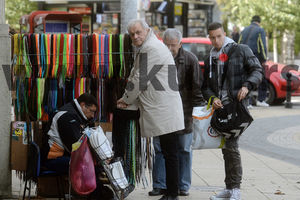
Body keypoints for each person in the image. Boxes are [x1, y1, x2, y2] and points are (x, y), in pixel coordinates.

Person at [117, 19, 185, 200]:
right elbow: (136, 74)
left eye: (138, 32)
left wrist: (125, 99)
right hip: (163, 108)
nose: (135, 36)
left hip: (164, 109)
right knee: (168, 151)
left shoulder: (151, 49)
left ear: (147, 31)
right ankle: (170, 192)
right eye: (132, 34)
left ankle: (172, 194)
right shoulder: (148, 47)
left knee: (170, 152)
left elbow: (139, 79)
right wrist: (127, 99)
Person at [202, 22, 263, 200]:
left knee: (231, 146)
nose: (216, 40)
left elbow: (257, 70)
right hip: (220, 109)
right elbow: (205, 87)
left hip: (237, 107)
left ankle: (234, 189)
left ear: (225, 34)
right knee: (227, 148)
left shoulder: (240, 50)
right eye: (212, 37)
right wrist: (212, 99)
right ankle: (230, 188)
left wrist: (247, 85)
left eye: (218, 36)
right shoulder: (210, 58)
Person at [148, 28, 204, 197]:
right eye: (167, 45)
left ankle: (183, 185)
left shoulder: (190, 59)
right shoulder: (157, 57)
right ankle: (159, 184)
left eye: (173, 45)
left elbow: (196, 88)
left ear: (180, 44)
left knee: (184, 149)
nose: (170, 48)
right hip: (161, 112)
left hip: (184, 113)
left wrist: (197, 113)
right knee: (159, 149)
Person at [41, 93, 114, 199]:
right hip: (54, 158)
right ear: (83, 105)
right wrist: (96, 159)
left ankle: (98, 193)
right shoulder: (67, 116)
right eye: (92, 111)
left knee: (95, 165)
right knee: (88, 167)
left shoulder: (74, 114)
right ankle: (98, 195)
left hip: (63, 155)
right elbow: (76, 146)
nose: (93, 116)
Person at [239, 15, 269, 107]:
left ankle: (248, 102)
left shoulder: (244, 30)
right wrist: (264, 59)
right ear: (259, 22)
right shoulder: (260, 30)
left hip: (243, 58)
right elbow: (262, 46)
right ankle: (261, 100)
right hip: (255, 58)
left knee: (246, 79)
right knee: (261, 78)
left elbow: (238, 44)